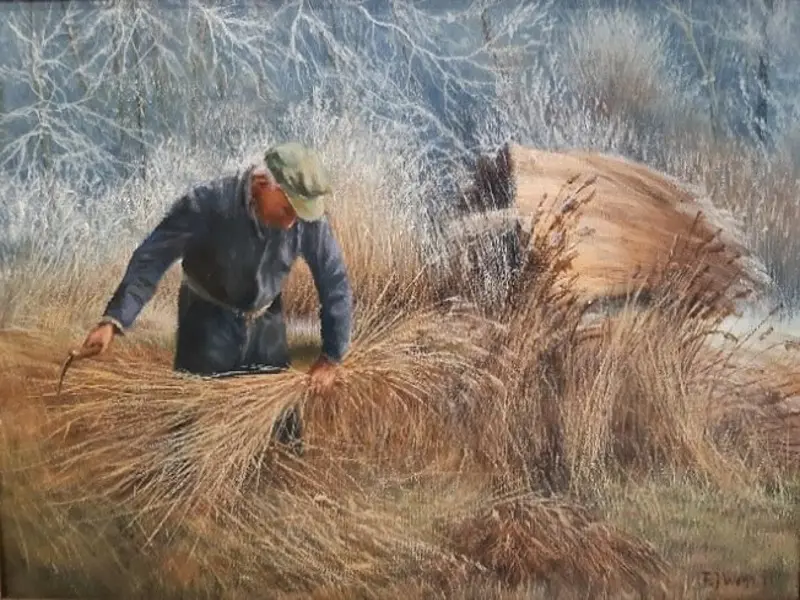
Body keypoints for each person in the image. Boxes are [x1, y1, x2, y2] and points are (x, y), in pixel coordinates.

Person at [69, 142, 354, 452]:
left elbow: (334, 280)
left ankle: (282, 484)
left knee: (282, 431)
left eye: (299, 215)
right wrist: (113, 320)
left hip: (266, 323)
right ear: (261, 185)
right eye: (287, 209)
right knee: (192, 425)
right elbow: (152, 259)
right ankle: (183, 488)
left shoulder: (306, 220)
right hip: (205, 321)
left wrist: (331, 356)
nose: (291, 223)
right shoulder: (208, 204)